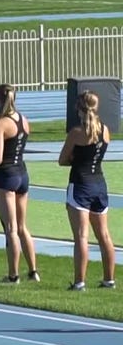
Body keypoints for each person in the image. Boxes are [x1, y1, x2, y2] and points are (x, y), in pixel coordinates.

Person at [0, 83, 39, 283]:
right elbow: (11, 140)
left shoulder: (0, 124)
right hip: (22, 174)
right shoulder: (23, 120)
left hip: (6, 176)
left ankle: (13, 275)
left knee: (11, 228)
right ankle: (33, 271)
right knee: (22, 227)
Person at [58, 91, 116, 291]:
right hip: (99, 184)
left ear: (79, 108)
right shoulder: (105, 130)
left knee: (82, 236)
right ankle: (109, 279)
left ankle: (79, 282)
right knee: (104, 235)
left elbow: (62, 160)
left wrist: (76, 159)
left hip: (80, 184)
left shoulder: (76, 133)